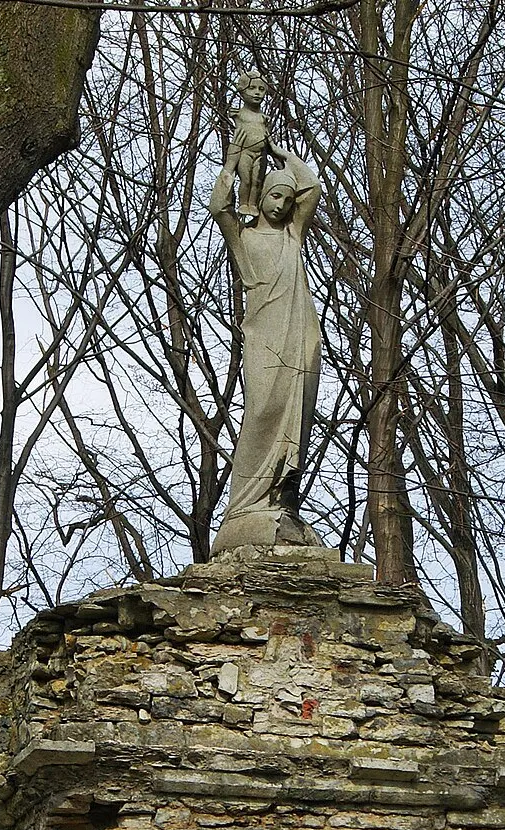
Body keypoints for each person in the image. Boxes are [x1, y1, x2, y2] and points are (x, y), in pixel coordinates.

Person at [208, 150, 326, 554]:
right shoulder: (242, 239)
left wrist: (279, 151)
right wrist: (236, 162)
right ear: (260, 197)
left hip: (299, 336)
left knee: (299, 421)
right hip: (264, 338)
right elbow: (220, 207)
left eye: (286, 201)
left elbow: (311, 186)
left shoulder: (293, 236)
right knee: (261, 412)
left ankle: (281, 500)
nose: (280, 205)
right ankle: (244, 508)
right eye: (274, 197)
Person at [226, 71, 282, 221]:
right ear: (242, 90)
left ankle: (253, 204)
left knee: (257, 181)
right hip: (245, 152)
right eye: (252, 88)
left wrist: (274, 147)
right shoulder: (239, 114)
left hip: (260, 153)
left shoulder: (263, 118)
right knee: (246, 180)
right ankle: (243, 203)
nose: (257, 93)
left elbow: (267, 136)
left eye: (261, 89)